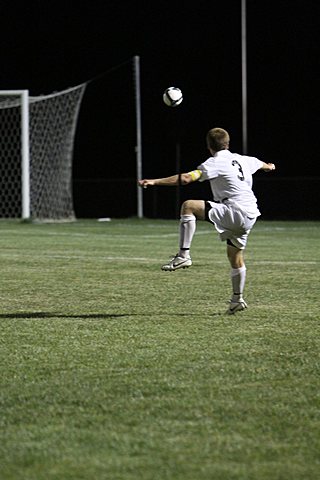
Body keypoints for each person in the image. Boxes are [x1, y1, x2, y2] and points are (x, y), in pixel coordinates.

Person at [139, 127, 275, 314]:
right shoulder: (243, 159)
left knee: (188, 206)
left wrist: (154, 181)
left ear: (209, 146)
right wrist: (269, 166)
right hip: (251, 214)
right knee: (234, 257)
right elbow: (261, 164)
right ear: (227, 143)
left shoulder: (214, 162)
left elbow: (187, 178)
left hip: (235, 210)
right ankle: (237, 300)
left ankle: (183, 255)